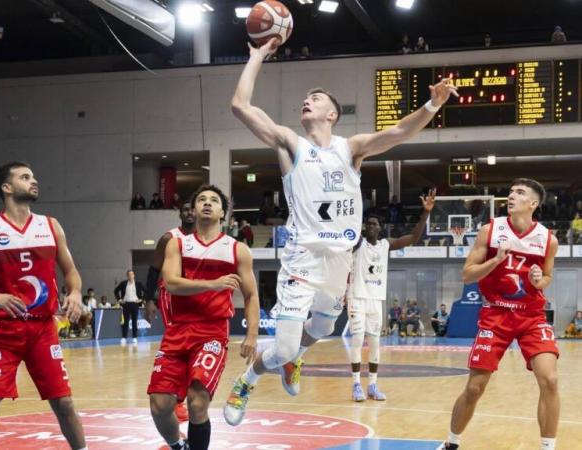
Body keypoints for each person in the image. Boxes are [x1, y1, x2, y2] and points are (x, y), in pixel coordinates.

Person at [222, 37, 457, 426]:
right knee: (280, 347)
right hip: (302, 257)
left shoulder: (351, 148)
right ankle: (246, 381)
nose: (307, 101)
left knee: (325, 326)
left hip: (339, 260)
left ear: (332, 114)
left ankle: (296, 356)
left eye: (316, 98)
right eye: (306, 99)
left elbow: (398, 132)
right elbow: (240, 106)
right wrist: (256, 55)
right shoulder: (290, 144)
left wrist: (433, 104)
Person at [0, 161, 86, 450]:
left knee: (64, 402)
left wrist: (74, 293)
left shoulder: (51, 225)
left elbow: (71, 270)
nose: (33, 181)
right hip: (0, 330)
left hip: (41, 330)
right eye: (25, 177)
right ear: (7, 188)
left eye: (33, 176)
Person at [438, 178, 560, 450]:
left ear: (533, 203)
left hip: (531, 317)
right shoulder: (490, 231)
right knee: (475, 387)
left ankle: (548, 447)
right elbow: (467, 274)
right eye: (510, 191)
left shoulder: (548, 239)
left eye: (519, 192)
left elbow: (548, 277)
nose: (511, 196)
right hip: (496, 315)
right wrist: (495, 261)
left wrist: (539, 279)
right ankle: (451, 442)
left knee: (549, 379)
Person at [148, 185, 259, 450]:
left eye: (213, 201)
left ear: (223, 212)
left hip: (211, 333)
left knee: (197, 402)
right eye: (201, 200)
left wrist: (252, 335)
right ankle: (178, 445)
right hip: (177, 331)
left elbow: (252, 296)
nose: (207, 203)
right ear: (193, 209)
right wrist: (214, 284)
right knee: (160, 406)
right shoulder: (177, 244)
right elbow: (171, 283)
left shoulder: (237, 250)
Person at [347, 190, 435, 402]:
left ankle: (373, 385)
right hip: (357, 297)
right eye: (368, 223)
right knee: (358, 340)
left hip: (376, 300)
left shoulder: (386, 245)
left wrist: (425, 213)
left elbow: (414, 237)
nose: (371, 226)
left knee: (375, 343)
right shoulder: (357, 244)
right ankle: (356, 384)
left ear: (381, 228)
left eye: (375, 224)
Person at [144, 202, 196, 424]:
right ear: (180, 214)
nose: (189, 213)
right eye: (185, 210)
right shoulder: (169, 238)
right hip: (171, 295)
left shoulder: (207, 239)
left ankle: (185, 394)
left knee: (195, 345)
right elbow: (154, 269)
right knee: (179, 344)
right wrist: (149, 299)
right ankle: (176, 399)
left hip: (196, 295)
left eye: (192, 209)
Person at [115, 270, 145, 344]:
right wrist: (119, 299)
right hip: (126, 304)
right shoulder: (123, 283)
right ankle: (124, 337)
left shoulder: (138, 284)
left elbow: (146, 291)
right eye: (129, 275)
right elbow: (116, 291)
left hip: (135, 304)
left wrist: (141, 300)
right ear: (127, 276)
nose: (130, 276)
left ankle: (134, 337)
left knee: (134, 321)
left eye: (132, 274)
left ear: (134, 275)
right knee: (125, 321)